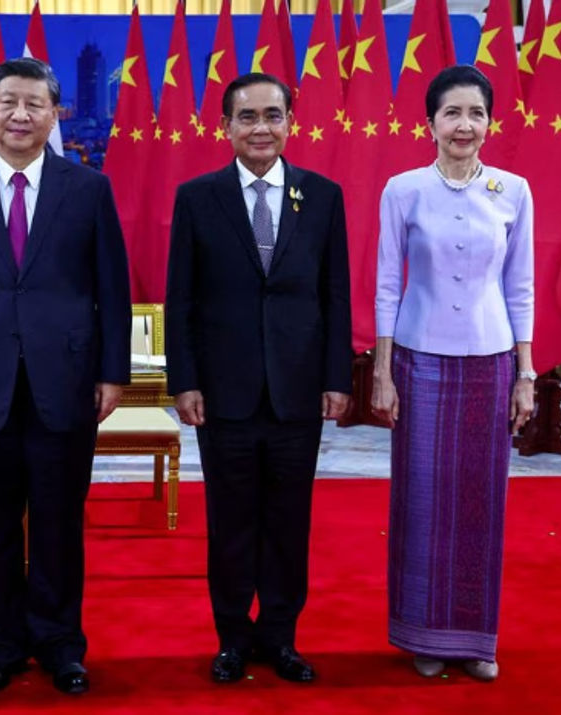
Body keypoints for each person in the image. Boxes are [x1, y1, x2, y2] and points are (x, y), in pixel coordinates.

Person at [0, 58, 130, 696]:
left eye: (34, 104)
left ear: (53, 114)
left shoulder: (87, 188)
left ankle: (61, 644)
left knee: (59, 522)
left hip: (65, 382)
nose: (20, 114)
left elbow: (111, 289)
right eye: (8, 102)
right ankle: (1, 647)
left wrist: (111, 372)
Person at [165, 73, 353, 684]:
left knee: (289, 520)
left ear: (290, 123)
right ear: (226, 128)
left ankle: (280, 637)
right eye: (247, 117)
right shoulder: (198, 197)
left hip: (299, 391)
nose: (261, 128)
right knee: (231, 521)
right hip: (223, 394)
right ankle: (232, 639)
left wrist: (337, 377)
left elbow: (335, 295)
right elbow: (182, 300)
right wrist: (185, 381)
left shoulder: (322, 196)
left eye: (273, 115)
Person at [371, 65, 535, 682]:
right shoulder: (403, 189)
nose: (464, 125)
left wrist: (525, 371)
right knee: (422, 499)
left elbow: (520, 286)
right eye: (452, 114)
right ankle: (424, 635)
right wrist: (383, 371)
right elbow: (388, 284)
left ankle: (478, 638)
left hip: (491, 363)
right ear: (431, 122)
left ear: (490, 122)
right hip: (419, 359)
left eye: (475, 114)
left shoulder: (513, 190)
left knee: (480, 502)